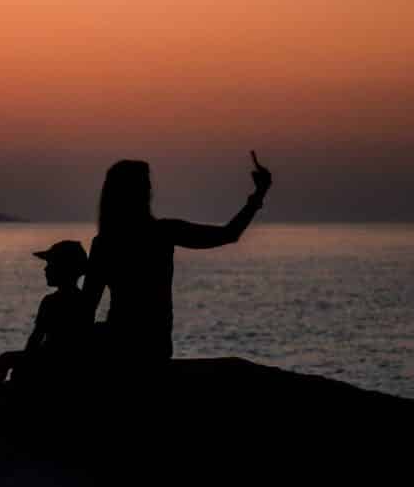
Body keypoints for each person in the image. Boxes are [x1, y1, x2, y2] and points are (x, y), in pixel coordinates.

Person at [82, 152, 272, 363]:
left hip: (121, 343)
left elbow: (86, 309)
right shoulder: (163, 233)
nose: (149, 191)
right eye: (145, 186)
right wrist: (258, 195)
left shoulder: (105, 243)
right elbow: (229, 234)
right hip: (154, 345)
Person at [0, 240, 89, 386]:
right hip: (62, 359)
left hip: (52, 359)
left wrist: (25, 363)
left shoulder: (51, 301)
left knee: (5, 359)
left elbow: (36, 338)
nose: (46, 269)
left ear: (64, 268)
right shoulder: (80, 299)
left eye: (51, 264)